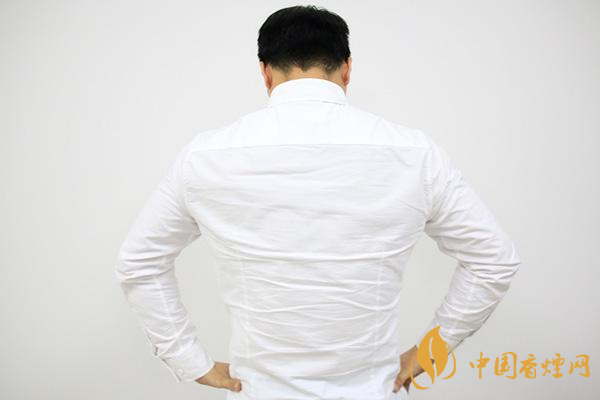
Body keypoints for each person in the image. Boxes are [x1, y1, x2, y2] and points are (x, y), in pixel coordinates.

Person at [114, 5, 521, 400]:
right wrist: (432, 351)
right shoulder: (416, 154)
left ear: (265, 72)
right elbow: (493, 259)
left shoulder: (206, 156)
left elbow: (139, 263)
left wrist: (190, 361)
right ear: (346, 69)